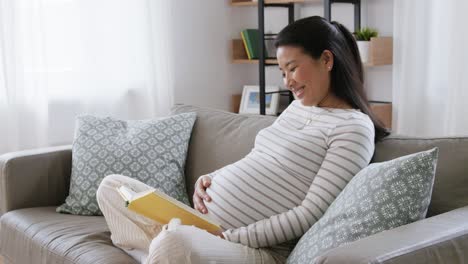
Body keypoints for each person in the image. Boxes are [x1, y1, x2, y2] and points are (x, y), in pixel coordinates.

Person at [96, 16, 388, 264]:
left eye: (294, 68)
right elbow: (258, 161)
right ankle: (170, 248)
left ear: (326, 60)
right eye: (282, 71)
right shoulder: (299, 107)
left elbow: (309, 214)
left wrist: (227, 236)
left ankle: (168, 247)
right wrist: (209, 178)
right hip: (208, 228)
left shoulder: (353, 129)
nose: (287, 82)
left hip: (254, 249)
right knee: (112, 186)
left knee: (172, 243)